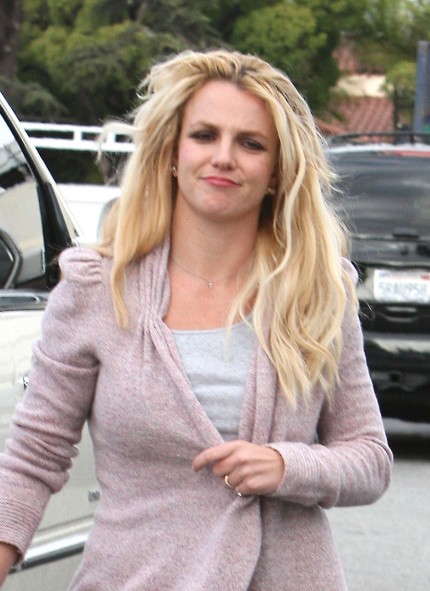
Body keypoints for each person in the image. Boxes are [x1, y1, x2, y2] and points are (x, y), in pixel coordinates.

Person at [0, 49, 392, 590]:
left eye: (250, 143)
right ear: (171, 154)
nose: (223, 157)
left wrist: (288, 466)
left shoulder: (318, 291)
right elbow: (33, 457)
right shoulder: (98, 289)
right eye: (205, 136)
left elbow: (370, 458)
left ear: (276, 172)